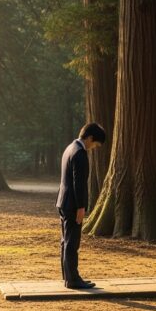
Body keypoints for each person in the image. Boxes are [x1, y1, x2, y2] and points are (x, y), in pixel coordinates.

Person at [56, 123, 106, 289]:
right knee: (72, 242)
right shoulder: (80, 153)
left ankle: (67, 276)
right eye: (95, 144)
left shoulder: (69, 148)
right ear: (90, 138)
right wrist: (81, 207)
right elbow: (80, 184)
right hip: (72, 204)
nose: (94, 147)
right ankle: (73, 279)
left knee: (65, 241)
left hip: (63, 200)